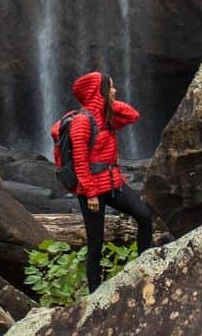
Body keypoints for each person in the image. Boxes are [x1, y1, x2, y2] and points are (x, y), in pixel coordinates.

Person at [66, 70, 152, 292]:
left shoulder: (107, 117)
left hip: (113, 184)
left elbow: (133, 115)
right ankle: (94, 294)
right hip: (92, 190)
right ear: (99, 92)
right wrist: (90, 193)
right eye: (110, 87)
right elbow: (79, 160)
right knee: (96, 244)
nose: (115, 90)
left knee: (144, 215)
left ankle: (145, 268)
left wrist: (107, 104)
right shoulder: (81, 122)